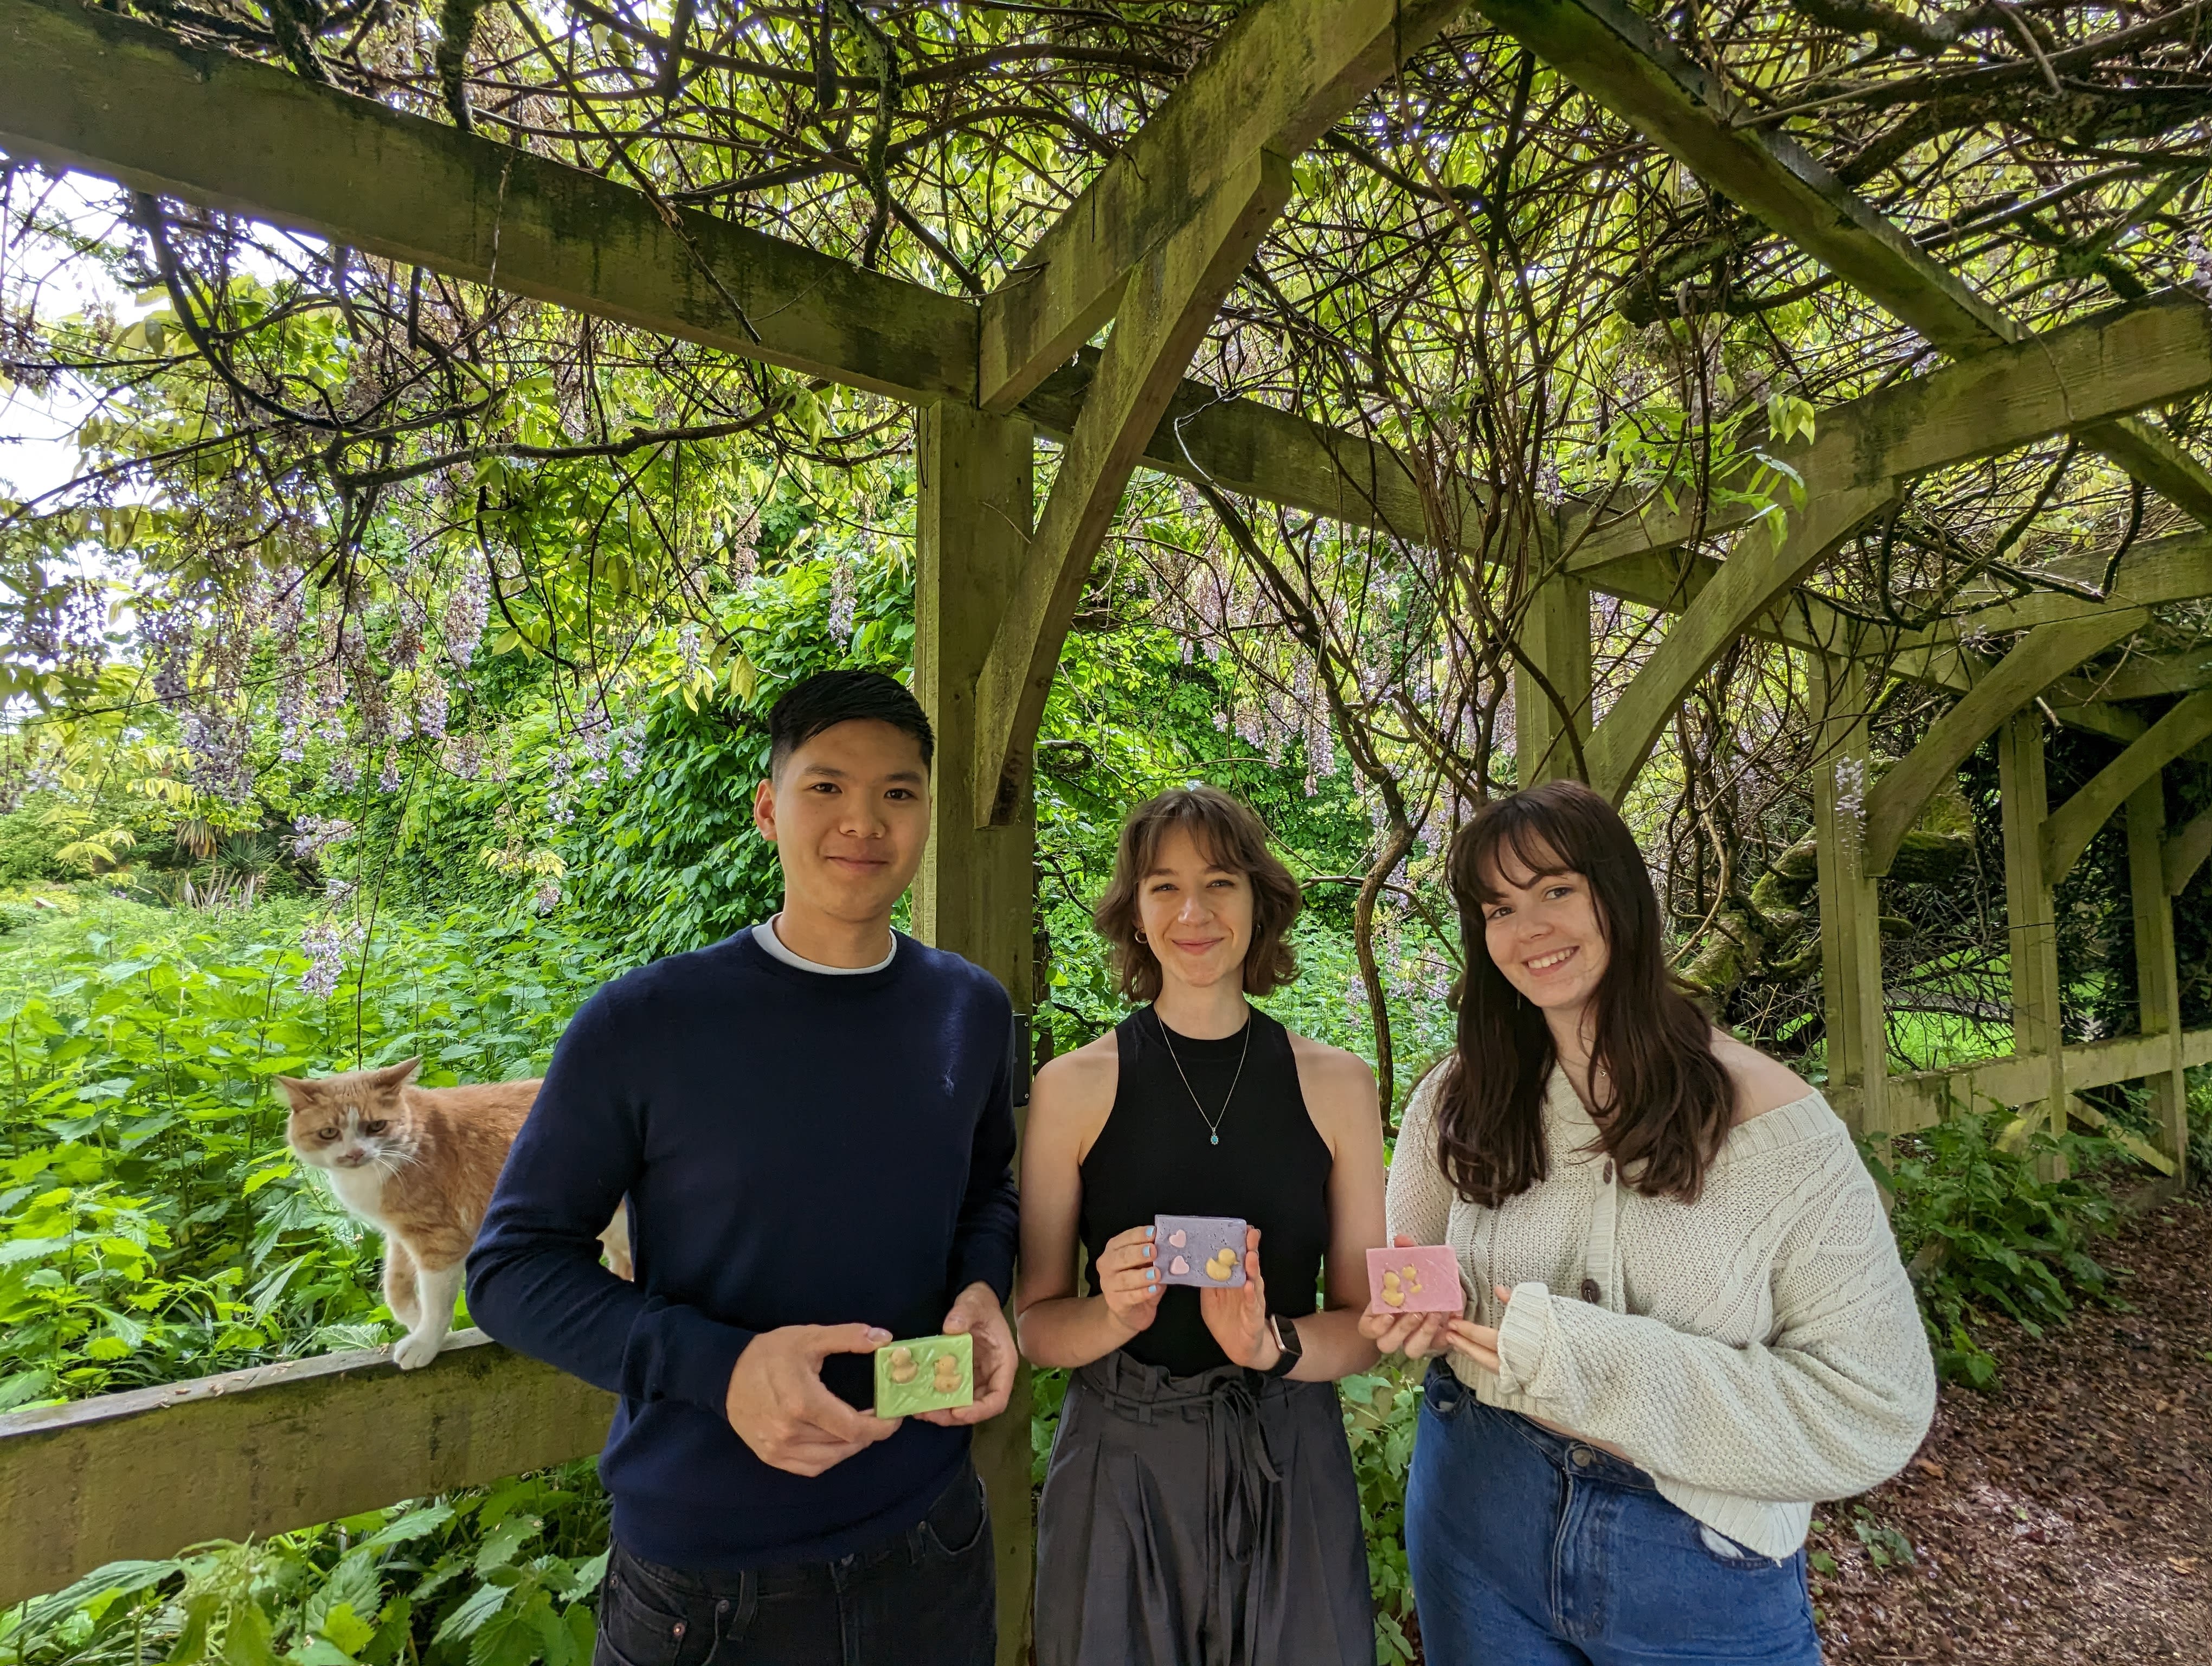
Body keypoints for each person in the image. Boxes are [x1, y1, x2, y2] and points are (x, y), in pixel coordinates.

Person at [467, 669, 1019, 1666]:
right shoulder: (646, 1022)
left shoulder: (970, 1011)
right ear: (769, 808)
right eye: (827, 788)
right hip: (707, 1584)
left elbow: (987, 1192)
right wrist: (720, 1370)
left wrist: (984, 1287)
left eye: (899, 792)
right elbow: (511, 1272)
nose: (865, 821)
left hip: (933, 1540)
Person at [1364, 779, 1935, 1665]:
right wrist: (1409, 1316)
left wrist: (1585, 1361)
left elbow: (1874, 1410)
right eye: (1499, 908)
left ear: (1621, 896)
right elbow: (1422, 1278)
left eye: (1557, 890)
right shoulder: (1456, 1097)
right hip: (1477, 1509)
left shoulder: (1776, 1128)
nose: (1530, 931)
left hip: (1696, 1551)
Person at [1017, 784, 1386, 1666]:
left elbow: (1366, 1327)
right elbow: (1034, 1325)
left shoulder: (1338, 1085)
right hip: (1121, 1464)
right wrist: (1109, 1315)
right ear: (1134, 916)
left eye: (1221, 883)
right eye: (1163, 887)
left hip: (1288, 1453)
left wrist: (1273, 1346)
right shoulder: (1074, 1087)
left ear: (1260, 904)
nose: (1194, 912)